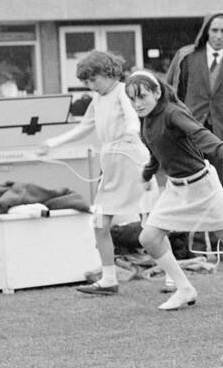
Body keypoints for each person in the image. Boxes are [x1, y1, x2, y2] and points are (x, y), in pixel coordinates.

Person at [124, 71, 223, 312]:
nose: (137, 104)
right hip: (175, 189)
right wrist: (147, 174)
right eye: (132, 99)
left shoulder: (172, 112)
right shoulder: (147, 119)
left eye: (142, 97)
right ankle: (184, 289)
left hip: (203, 185)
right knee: (149, 238)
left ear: (157, 92)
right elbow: (157, 151)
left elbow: (198, 132)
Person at [39, 51, 148, 297]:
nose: (90, 86)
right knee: (99, 221)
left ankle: (174, 277)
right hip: (110, 162)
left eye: (93, 80)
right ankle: (109, 278)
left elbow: (133, 118)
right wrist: (53, 143)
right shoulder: (98, 99)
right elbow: (84, 127)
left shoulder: (123, 91)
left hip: (132, 159)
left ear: (109, 73)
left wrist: (132, 131)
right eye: (86, 82)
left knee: (150, 224)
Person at [165, 12, 223, 221]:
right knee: (193, 190)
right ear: (206, 31)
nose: (219, 35)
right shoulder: (186, 57)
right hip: (192, 133)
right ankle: (197, 246)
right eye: (214, 30)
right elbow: (173, 93)